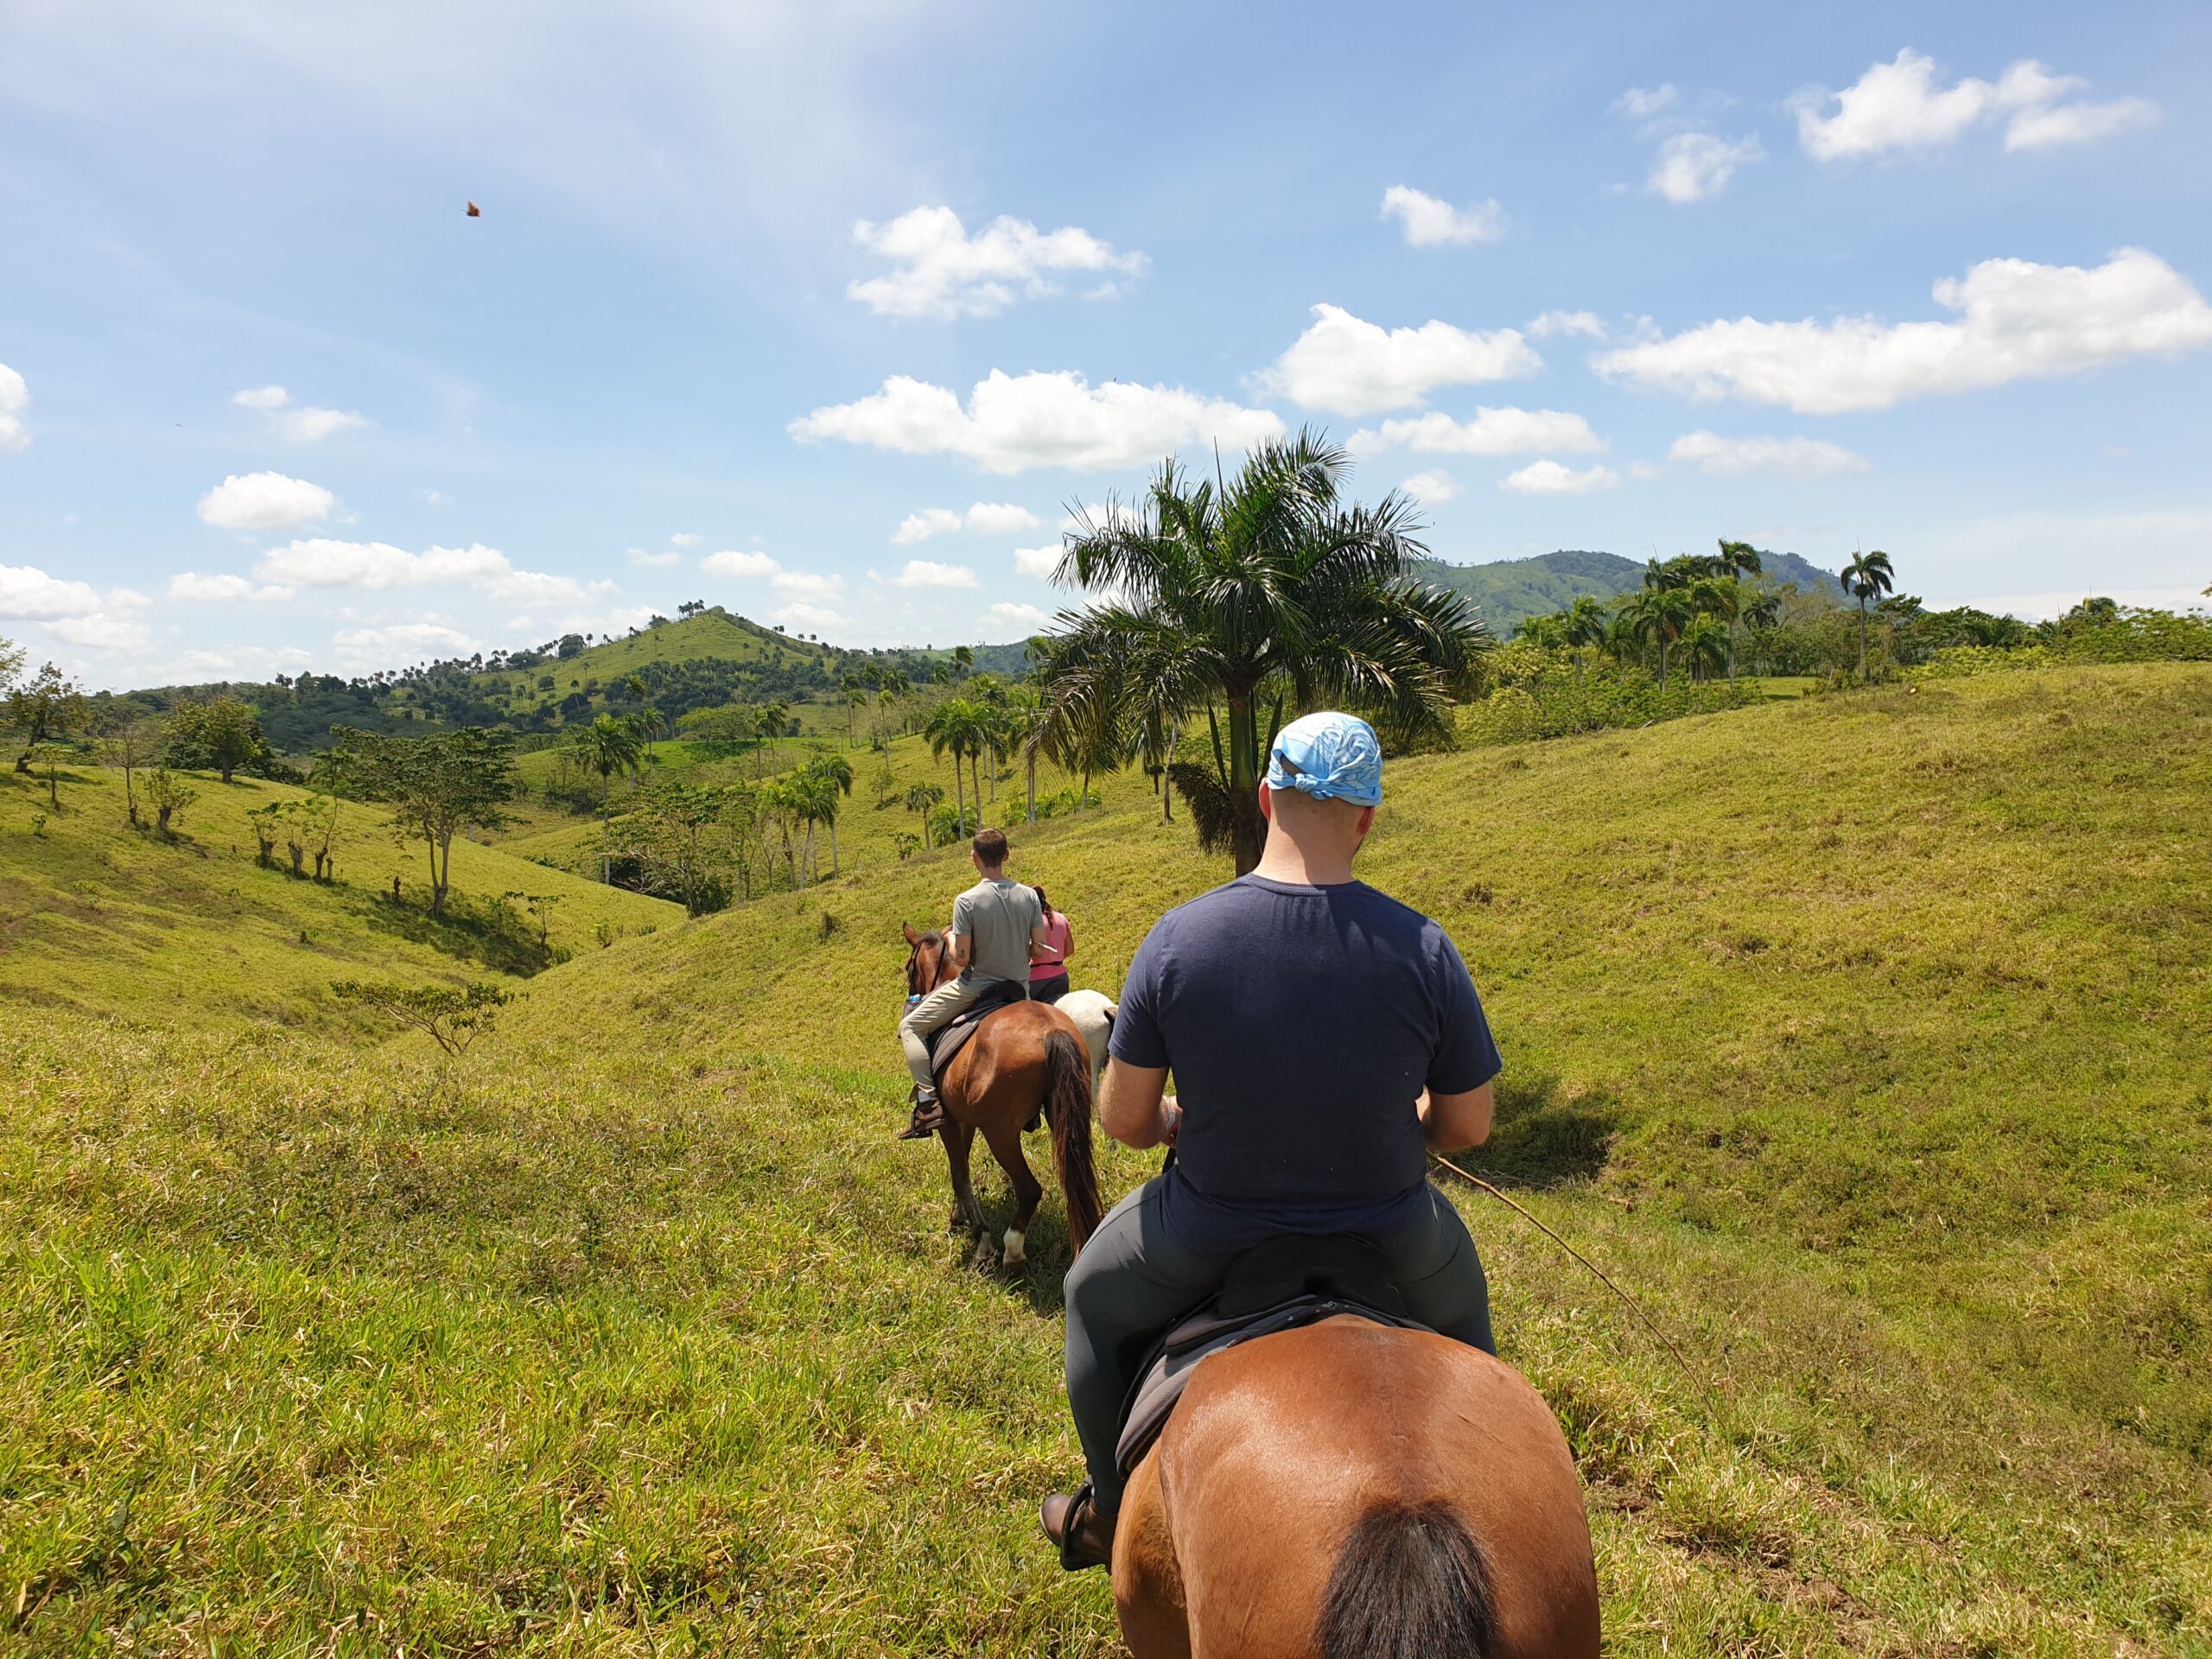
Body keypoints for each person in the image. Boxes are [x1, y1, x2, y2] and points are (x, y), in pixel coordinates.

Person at [1040, 711, 1503, 1570]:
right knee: (1477, 1347)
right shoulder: (1425, 947)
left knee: (1089, 1300)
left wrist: (1176, 1118)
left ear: (1264, 798)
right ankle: (1496, 1496)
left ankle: (1105, 1509)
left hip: (1207, 1227)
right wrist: (1409, 1119)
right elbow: (1467, 1125)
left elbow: (1126, 1123)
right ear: (1367, 818)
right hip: (1394, 1230)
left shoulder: (1179, 939)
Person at [896, 826, 1053, 1141]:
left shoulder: (966, 901)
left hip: (975, 986)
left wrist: (953, 940)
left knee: (910, 1026)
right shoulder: (1029, 896)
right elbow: (1038, 950)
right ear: (1006, 856)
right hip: (1019, 989)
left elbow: (963, 958)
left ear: (974, 858)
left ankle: (928, 1102)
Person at [1027, 886, 1075, 1003]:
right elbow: (1070, 949)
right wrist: (1053, 959)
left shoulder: (1031, 922)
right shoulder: (1061, 918)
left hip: (1035, 980)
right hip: (1060, 978)